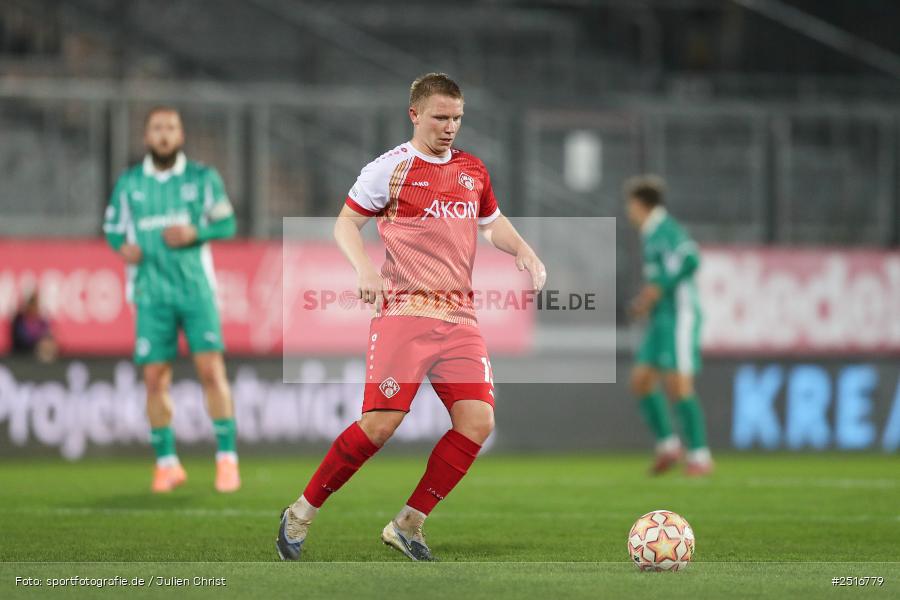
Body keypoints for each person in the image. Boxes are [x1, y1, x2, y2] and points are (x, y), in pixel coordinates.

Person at [276, 73, 547, 562]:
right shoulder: (390, 169)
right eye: (440, 117)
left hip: (460, 318)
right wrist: (363, 268)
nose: (450, 127)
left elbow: (492, 223)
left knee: (477, 422)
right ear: (415, 115)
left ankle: (409, 522)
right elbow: (345, 223)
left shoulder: (473, 170)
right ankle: (301, 510)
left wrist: (524, 251)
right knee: (380, 426)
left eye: (457, 118)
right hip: (404, 312)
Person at [103, 106, 240, 493]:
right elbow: (113, 229)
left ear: (180, 136)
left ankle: (227, 459)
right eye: (157, 128)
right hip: (150, 293)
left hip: (196, 290)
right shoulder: (130, 183)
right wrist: (122, 247)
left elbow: (227, 223)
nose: (164, 134)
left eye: (171, 128)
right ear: (146, 137)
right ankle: (166, 463)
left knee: (211, 371)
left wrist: (195, 232)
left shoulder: (202, 177)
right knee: (154, 379)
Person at [625, 174, 713, 477]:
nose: (629, 211)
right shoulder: (651, 232)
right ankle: (668, 446)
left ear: (640, 204)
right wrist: (647, 300)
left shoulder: (666, 229)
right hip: (660, 317)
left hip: (680, 316)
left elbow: (691, 259)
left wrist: (659, 287)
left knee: (679, 386)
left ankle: (700, 455)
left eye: (631, 205)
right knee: (641, 380)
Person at [10, 291, 57, 363]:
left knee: (47, 344)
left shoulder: (42, 321)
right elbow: (21, 339)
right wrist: (37, 343)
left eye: (36, 304)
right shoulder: (19, 319)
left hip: (38, 351)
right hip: (24, 353)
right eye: (32, 304)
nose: (34, 307)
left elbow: (48, 334)